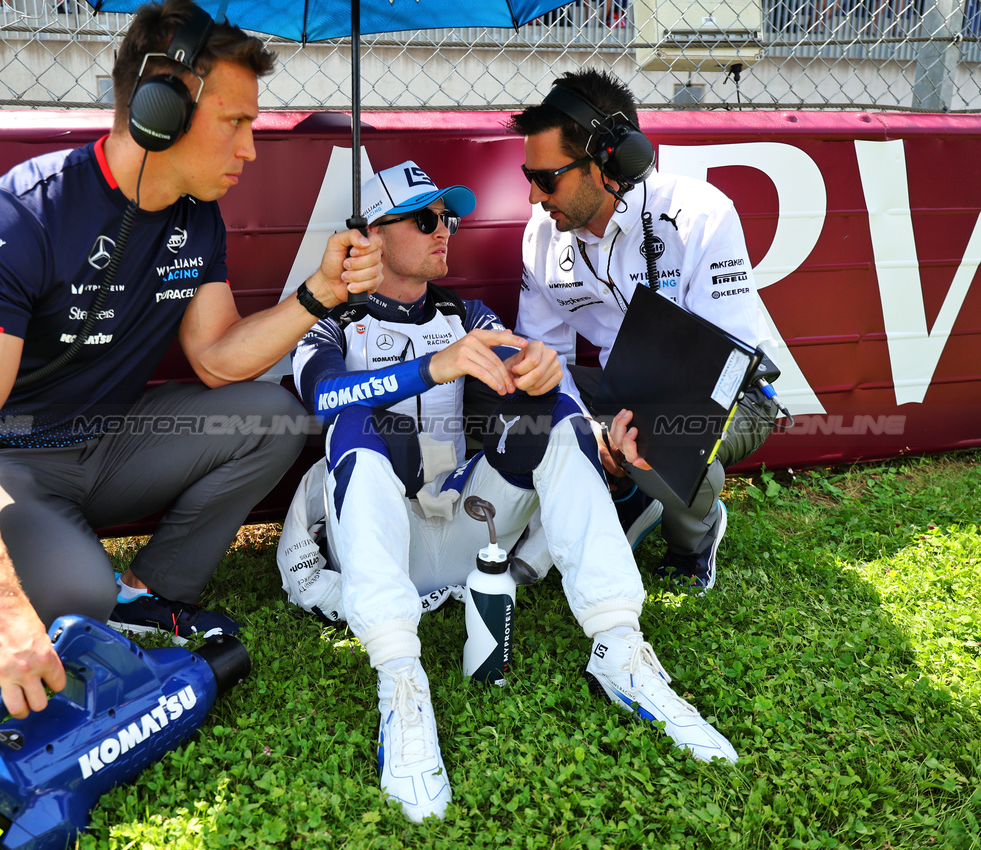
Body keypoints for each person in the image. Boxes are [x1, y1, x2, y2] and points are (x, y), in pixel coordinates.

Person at [0, 0, 383, 721]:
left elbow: (220, 362)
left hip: (112, 443)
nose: (249, 150)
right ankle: (89, 593)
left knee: (273, 416)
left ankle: (148, 591)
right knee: (75, 608)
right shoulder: (18, 213)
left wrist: (318, 294)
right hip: (14, 463)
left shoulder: (197, 215)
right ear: (159, 106)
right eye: (236, 123)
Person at [281, 160, 738, 823]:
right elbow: (322, 394)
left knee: (547, 410)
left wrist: (544, 373)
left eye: (449, 218)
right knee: (357, 422)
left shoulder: (466, 313)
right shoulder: (331, 317)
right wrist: (428, 368)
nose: (444, 230)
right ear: (371, 236)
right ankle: (400, 682)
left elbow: (530, 378)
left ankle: (618, 646)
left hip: (471, 531)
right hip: (383, 546)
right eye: (424, 218)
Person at [508, 68, 779, 591]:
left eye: (547, 179)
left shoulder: (699, 212)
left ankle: (692, 540)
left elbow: (725, 358)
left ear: (611, 161)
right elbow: (545, 356)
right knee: (515, 393)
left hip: (732, 392)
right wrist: (582, 423)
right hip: (619, 390)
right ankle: (633, 494)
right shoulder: (541, 235)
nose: (534, 197)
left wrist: (629, 422)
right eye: (529, 176)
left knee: (657, 433)